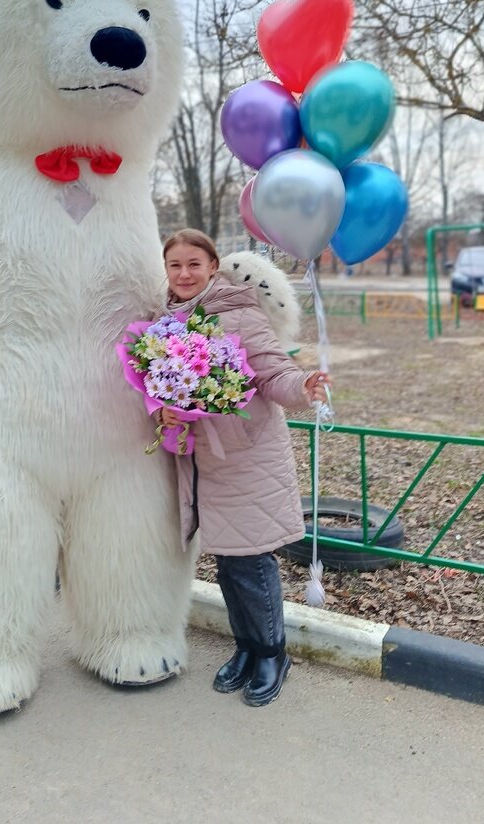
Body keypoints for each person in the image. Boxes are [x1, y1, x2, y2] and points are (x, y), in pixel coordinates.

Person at [156, 228, 329, 707]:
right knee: (228, 563)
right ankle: (247, 648)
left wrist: (303, 385)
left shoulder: (238, 311)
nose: (185, 274)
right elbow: (154, 389)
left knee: (251, 560)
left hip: (245, 453)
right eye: (175, 265)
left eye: (195, 264)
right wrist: (162, 412)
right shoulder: (162, 321)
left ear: (214, 266)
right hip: (199, 459)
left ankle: (273, 652)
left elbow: (273, 371)